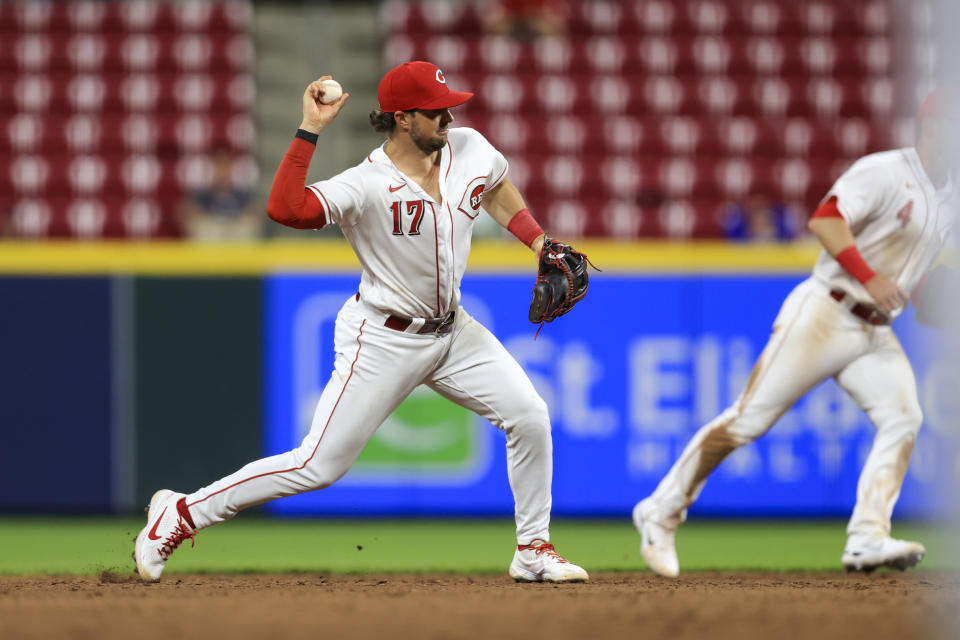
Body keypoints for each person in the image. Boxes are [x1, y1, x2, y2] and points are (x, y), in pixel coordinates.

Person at [133, 61, 589, 584]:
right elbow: (286, 208)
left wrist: (539, 242)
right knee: (316, 466)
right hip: (383, 339)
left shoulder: (469, 147)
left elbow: (495, 187)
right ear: (401, 118)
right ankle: (181, 514)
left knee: (529, 416)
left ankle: (532, 549)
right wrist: (310, 129)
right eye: (434, 110)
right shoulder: (367, 183)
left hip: (453, 332)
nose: (448, 116)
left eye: (449, 106)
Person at [633, 87, 959, 577]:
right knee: (746, 422)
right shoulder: (887, 170)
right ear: (933, 127)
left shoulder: (949, 197)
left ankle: (868, 537)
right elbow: (825, 220)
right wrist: (870, 277)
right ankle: (659, 511)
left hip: (874, 331)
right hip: (825, 312)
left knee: (903, 417)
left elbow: (913, 274)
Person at [179, 148, 263, 241]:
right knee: (204, 226)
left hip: (235, 227)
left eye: (225, 168)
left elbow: (256, 210)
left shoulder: (241, 193)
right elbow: (186, 211)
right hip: (213, 228)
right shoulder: (204, 193)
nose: (222, 172)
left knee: (248, 224)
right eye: (219, 168)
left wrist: (247, 216)